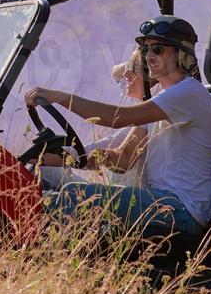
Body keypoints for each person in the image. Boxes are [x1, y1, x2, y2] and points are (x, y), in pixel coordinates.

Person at [24, 16, 211, 237]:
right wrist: (40, 159)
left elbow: (117, 117)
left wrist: (59, 97)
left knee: (70, 196)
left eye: (157, 48)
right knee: (45, 175)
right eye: (145, 50)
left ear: (181, 53)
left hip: (181, 209)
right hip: (159, 201)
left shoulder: (189, 93)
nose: (149, 56)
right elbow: (123, 157)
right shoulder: (160, 97)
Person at [35, 48, 150, 189]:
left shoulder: (148, 117)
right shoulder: (138, 119)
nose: (125, 75)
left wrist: (59, 97)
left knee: (60, 191)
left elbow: (119, 155)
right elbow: (99, 146)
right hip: (119, 196)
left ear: (149, 76)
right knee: (45, 170)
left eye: (132, 69)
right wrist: (36, 156)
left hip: (132, 202)